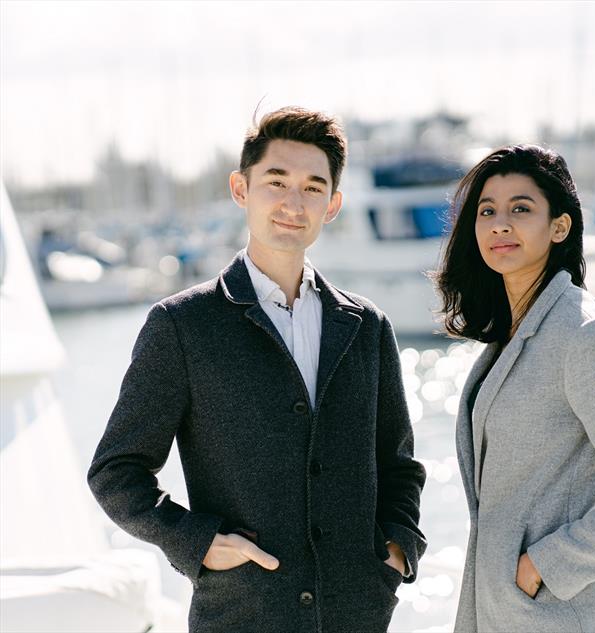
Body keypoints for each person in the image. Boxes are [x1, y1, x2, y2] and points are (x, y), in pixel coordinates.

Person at [88, 106, 426, 633]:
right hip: (240, 615)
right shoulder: (182, 325)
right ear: (241, 189)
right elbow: (116, 472)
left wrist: (397, 551)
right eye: (277, 181)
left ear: (333, 205)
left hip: (357, 613)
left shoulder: (368, 328)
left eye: (314, 188)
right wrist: (196, 542)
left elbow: (398, 466)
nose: (294, 203)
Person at [434, 144, 595, 632]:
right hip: (504, 610)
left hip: (558, 613)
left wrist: (545, 566)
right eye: (487, 211)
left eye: (521, 209)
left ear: (559, 227)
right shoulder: (513, 333)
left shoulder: (584, 334)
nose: (500, 224)